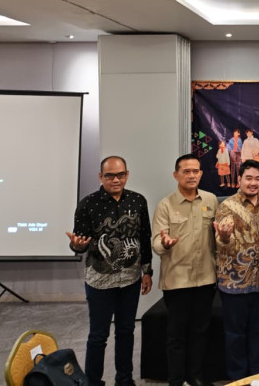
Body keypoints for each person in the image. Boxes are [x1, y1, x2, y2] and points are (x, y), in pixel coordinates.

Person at [66, 155, 153, 386]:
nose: (116, 180)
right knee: (98, 336)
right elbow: (79, 242)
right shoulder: (87, 204)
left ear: (127, 174)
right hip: (100, 281)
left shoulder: (138, 201)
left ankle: (124, 380)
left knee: (126, 332)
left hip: (130, 279)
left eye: (120, 175)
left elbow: (144, 237)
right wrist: (77, 245)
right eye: (110, 176)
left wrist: (147, 271)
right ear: (100, 177)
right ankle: (93, 382)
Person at [152, 154, 218, 386]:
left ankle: (196, 377)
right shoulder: (165, 205)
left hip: (206, 279)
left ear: (201, 174)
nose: (191, 175)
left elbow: (218, 237)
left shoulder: (211, 200)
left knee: (200, 332)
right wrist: (165, 243)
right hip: (177, 281)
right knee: (176, 335)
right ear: (176, 175)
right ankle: (176, 380)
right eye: (186, 171)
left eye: (195, 171)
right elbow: (156, 243)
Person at [214, 159, 259, 380]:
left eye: (258, 178)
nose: (253, 183)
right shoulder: (227, 206)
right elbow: (221, 242)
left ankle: (258, 379)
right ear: (239, 179)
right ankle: (238, 380)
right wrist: (224, 236)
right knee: (235, 336)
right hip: (234, 283)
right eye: (248, 178)